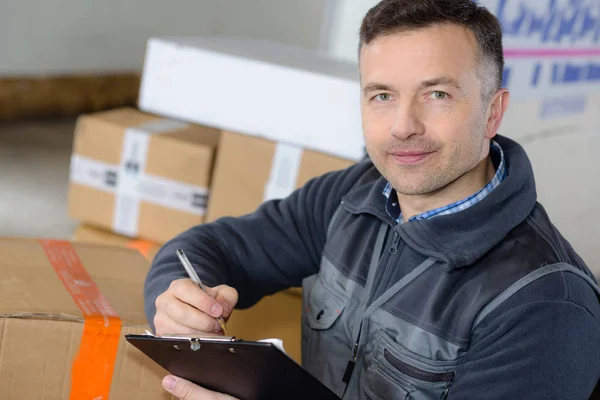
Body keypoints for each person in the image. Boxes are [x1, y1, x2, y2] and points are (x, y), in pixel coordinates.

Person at [144, 0, 600, 398]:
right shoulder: (351, 195)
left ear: (492, 111)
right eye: (382, 96)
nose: (403, 125)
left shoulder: (546, 304)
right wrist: (178, 304)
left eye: (436, 94)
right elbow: (207, 248)